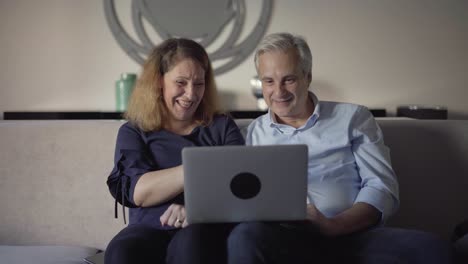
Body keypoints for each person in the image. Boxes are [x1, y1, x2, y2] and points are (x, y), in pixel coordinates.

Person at [243, 32, 454, 263]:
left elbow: (381, 187)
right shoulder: (253, 134)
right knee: (246, 237)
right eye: (269, 81)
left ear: (307, 76)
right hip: (284, 240)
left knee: (431, 248)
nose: (279, 91)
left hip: (352, 234)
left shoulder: (353, 118)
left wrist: (334, 226)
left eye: (289, 79)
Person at [104, 38, 245, 264]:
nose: (191, 95)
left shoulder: (221, 127)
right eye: (181, 82)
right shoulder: (134, 131)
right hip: (147, 228)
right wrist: (202, 166)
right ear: (159, 81)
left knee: (192, 244)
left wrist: (196, 212)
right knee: (122, 252)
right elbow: (139, 192)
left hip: (203, 229)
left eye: (199, 84)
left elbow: (239, 186)